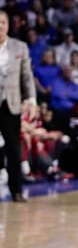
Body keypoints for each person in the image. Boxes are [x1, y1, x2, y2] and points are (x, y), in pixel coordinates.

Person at [0, 10, 37, 202]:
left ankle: (16, 190)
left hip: (11, 104)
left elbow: (26, 76)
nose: (0, 26)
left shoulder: (20, 47)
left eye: (3, 22)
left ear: (8, 25)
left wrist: (31, 100)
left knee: (14, 148)